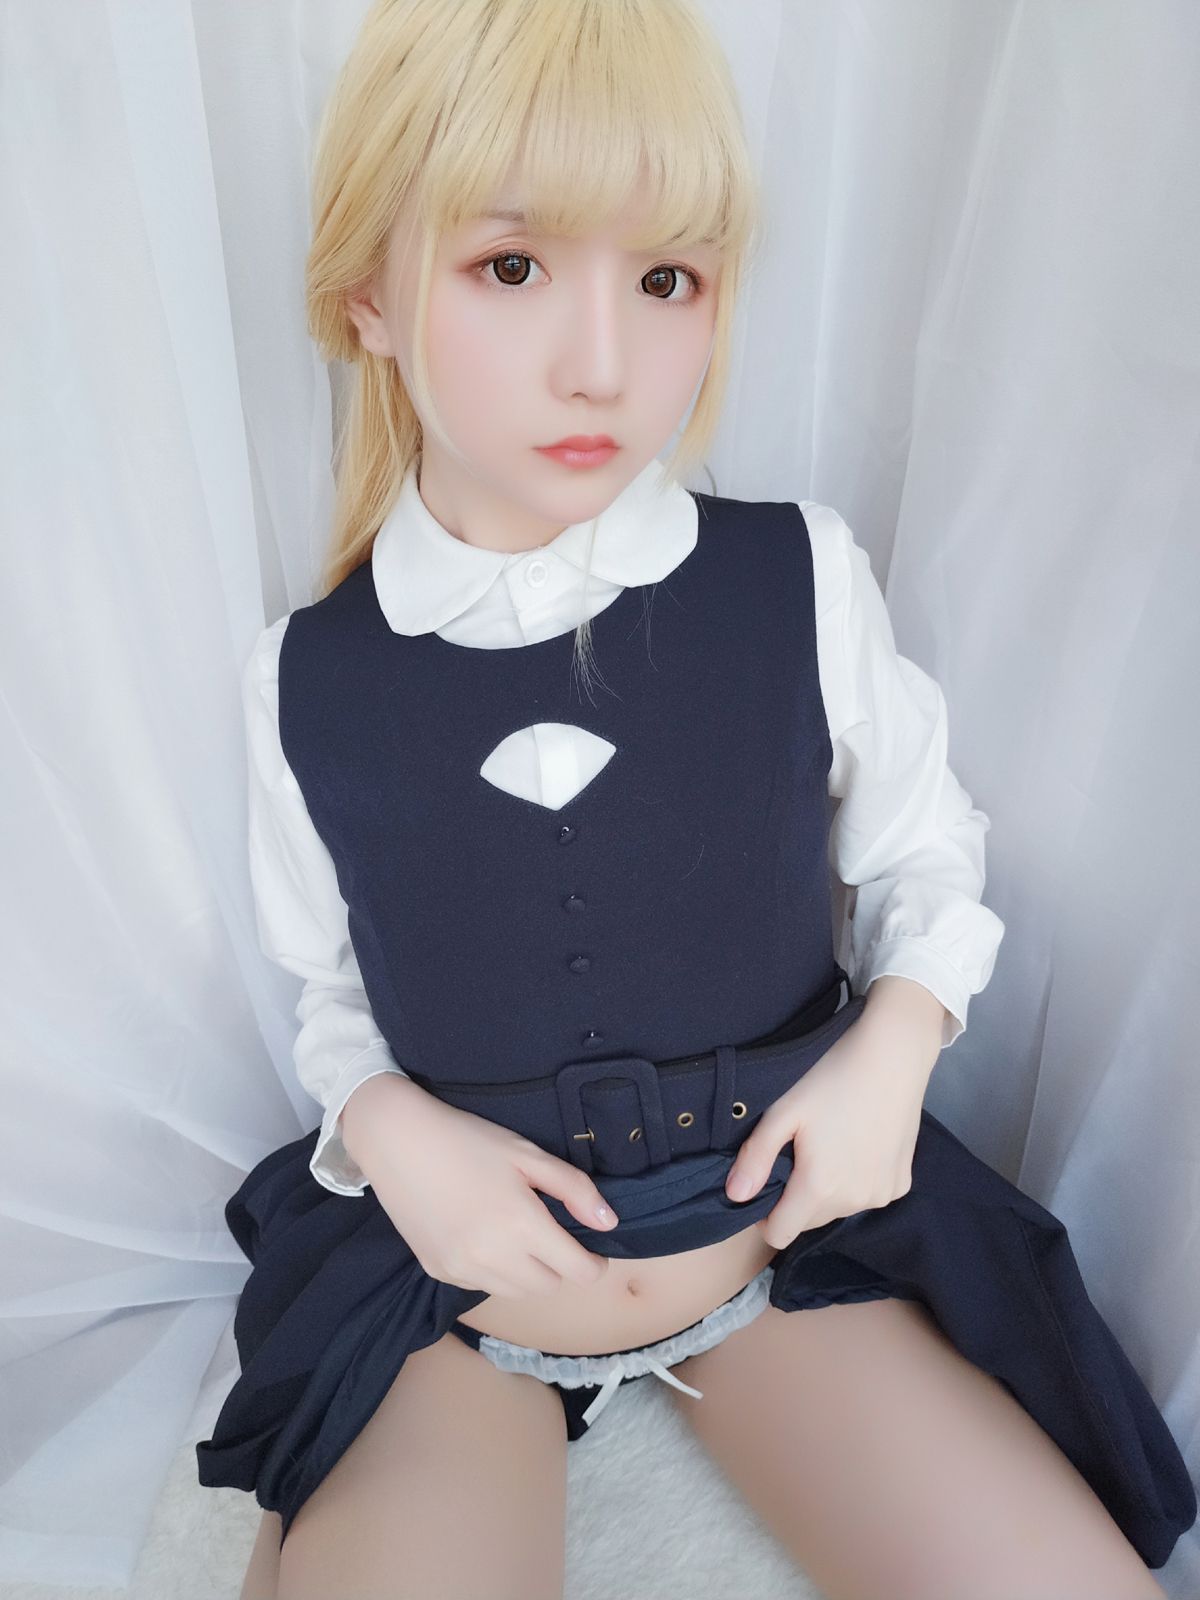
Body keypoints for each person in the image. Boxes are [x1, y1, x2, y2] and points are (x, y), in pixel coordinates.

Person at [195, 2, 1196, 1597]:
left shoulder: (796, 578)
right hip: (455, 1301)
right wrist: (392, 1133)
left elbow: (928, 860)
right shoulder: (303, 677)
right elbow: (329, 988)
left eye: (667, 279)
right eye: (511, 267)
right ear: (365, 295)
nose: (605, 361)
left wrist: (895, 1047)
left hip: (777, 1260)